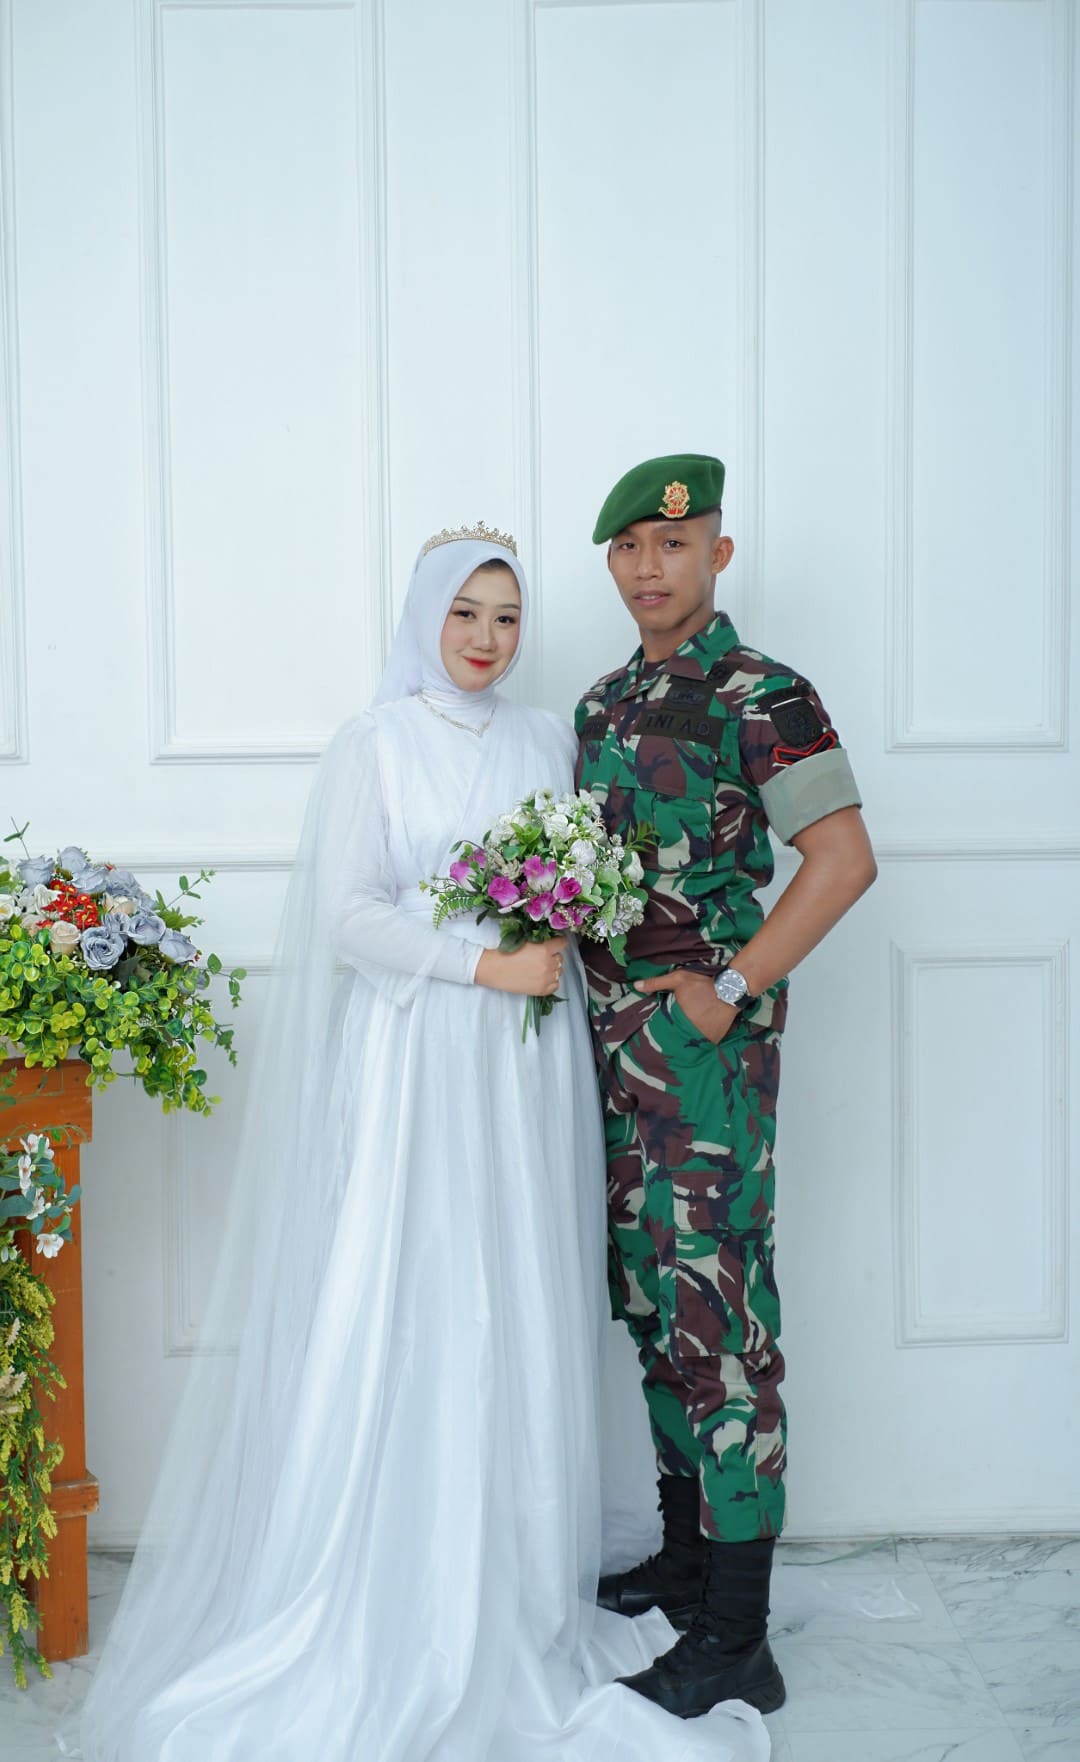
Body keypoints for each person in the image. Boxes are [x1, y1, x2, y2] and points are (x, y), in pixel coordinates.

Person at [62, 525, 770, 1762]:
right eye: (465, 613)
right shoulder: (375, 743)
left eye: (508, 616)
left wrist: (562, 945)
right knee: (418, 1284)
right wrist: (484, 966)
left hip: (524, 1067)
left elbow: (591, 882)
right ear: (424, 617)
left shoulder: (548, 736)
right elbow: (350, 916)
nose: (488, 639)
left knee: (515, 1287)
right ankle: (399, 1574)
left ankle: (510, 1569)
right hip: (422, 1057)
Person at [575, 455, 878, 1720]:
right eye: (630, 548)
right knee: (652, 1304)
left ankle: (739, 1636)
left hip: (705, 1058)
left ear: (718, 552)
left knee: (721, 1321)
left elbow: (842, 858)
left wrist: (729, 987)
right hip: (611, 1051)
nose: (651, 568)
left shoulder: (765, 694)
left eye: (675, 543)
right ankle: (688, 1560)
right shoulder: (602, 704)